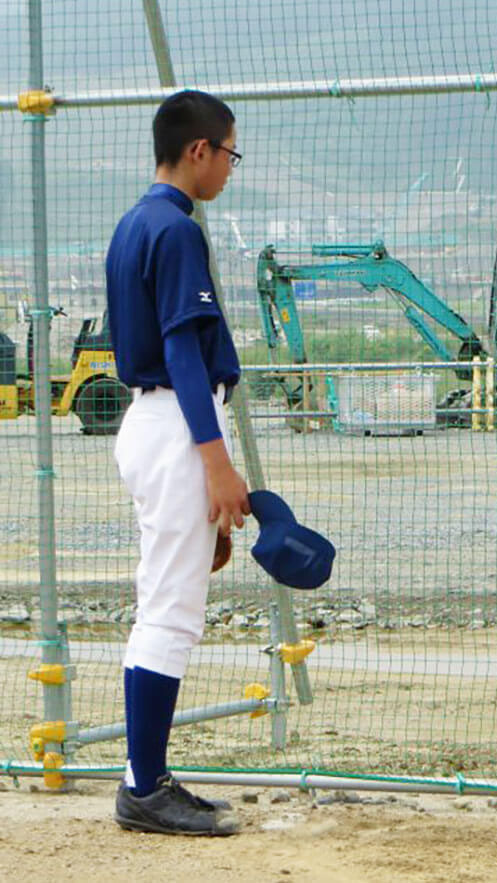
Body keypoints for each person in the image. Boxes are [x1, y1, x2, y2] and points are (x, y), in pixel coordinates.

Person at [106, 90, 249, 836]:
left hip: (152, 423)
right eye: (229, 151)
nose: (230, 165)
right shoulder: (176, 229)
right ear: (198, 150)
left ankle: (149, 774)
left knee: (164, 598)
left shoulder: (135, 222)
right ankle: (142, 785)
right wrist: (218, 466)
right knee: (169, 609)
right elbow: (186, 356)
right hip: (174, 425)